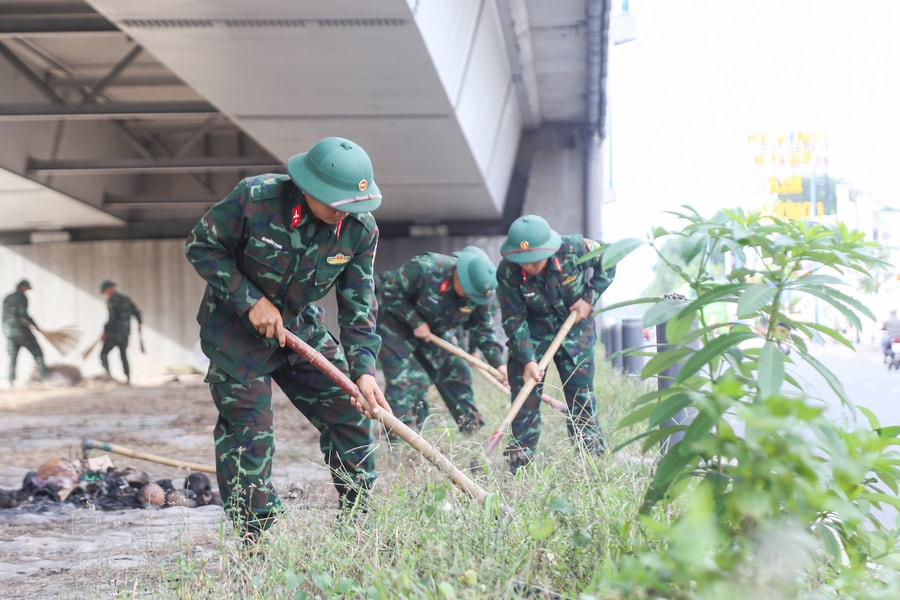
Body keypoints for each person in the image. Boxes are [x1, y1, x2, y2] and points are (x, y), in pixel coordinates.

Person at [184, 136, 391, 545]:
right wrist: (250, 301)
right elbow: (202, 246)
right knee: (251, 438)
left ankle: (357, 523)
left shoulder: (359, 229)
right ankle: (256, 542)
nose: (343, 214)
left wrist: (364, 371)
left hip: (299, 328)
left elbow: (358, 306)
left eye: (353, 206)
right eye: (336, 204)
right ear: (309, 189)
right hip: (235, 337)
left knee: (348, 412)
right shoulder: (256, 199)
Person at [495, 214, 616, 472]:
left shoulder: (574, 249)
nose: (527, 267)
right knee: (524, 395)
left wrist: (589, 296)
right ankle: (519, 465)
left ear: (549, 250)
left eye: (533, 261)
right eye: (522, 262)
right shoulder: (507, 272)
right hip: (533, 331)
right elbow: (514, 320)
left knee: (580, 394)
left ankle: (590, 459)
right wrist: (527, 359)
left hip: (574, 327)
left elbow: (610, 257)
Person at [375, 246, 507, 434]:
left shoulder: (480, 294)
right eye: (470, 295)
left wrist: (499, 365)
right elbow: (390, 292)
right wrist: (415, 321)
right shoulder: (426, 268)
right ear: (460, 278)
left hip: (435, 330)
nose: (472, 300)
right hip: (395, 325)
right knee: (409, 381)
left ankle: (472, 430)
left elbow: (483, 330)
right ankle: (401, 439)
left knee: (458, 370)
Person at [2, 279, 48, 387]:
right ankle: (45, 378)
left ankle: (11, 381)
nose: (27, 291)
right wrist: (35, 326)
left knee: (12, 357)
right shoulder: (21, 297)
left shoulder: (7, 298)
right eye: (26, 288)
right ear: (22, 287)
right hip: (21, 331)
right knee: (38, 353)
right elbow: (23, 314)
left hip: (8, 332)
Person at [97, 280, 143, 384]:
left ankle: (109, 377)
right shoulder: (125, 299)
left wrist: (105, 332)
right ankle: (128, 378)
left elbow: (112, 319)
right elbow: (137, 312)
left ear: (109, 289)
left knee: (103, 354)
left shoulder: (111, 301)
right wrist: (140, 324)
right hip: (125, 334)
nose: (105, 293)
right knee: (123, 356)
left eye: (105, 291)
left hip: (113, 334)